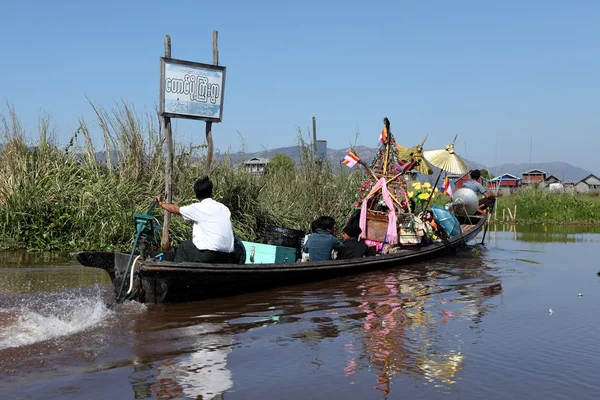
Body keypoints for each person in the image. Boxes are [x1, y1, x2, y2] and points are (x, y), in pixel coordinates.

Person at [156, 176, 235, 263]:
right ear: (211, 192)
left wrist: (161, 203)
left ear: (197, 195)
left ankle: (177, 274)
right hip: (228, 255)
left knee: (184, 246)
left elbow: (175, 209)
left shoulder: (198, 208)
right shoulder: (224, 208)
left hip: (209, 254)